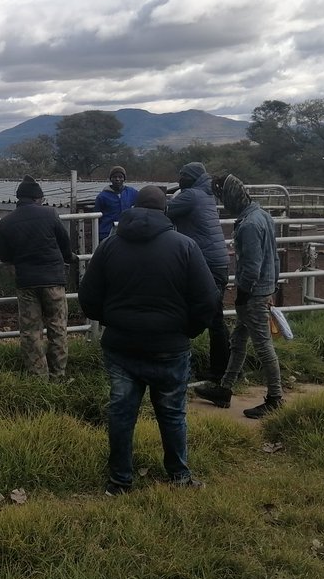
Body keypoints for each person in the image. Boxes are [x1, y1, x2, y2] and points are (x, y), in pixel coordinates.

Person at [78, 185, 219, 493]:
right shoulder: (185, 246)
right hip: (170, 347)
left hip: (121, 346)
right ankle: (179, 477)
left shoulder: (109, 246)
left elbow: (87, 297)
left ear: (133, 208)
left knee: (121, 413)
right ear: (165, 210)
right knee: (172, 413)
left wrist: (113, 321)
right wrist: (186, 330)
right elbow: (208, 299)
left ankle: (119, 481)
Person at [194, 175, 284, 418]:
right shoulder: (262, 215)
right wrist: (272, 287)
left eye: (224, 198)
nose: (224, 203)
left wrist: (243, 294)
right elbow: (274, 257)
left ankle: (275, 397)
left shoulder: (249, 225)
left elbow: (251, 265)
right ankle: (225, 388)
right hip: (263, 289)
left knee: (263, 346)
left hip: (253, 294)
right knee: (238, 341)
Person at [0, 175, 75, 381]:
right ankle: (58, 376)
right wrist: (69, 258)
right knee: (58, 328)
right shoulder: (50, 214)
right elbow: (65, 245)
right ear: (37, 198)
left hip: (27, 283)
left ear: (19, 199)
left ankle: (38, 378)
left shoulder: (6, 222)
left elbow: (4, 256)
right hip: (53, 281)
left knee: (31, 332)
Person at [166, 162, 230, 385]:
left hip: (207, 264)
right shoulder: (204, 194)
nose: (179, 179)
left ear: (191, 178)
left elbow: (162, 211)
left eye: (182, 176)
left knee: (211, 319)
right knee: (215, 319)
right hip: (216, 263)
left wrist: (158, 194)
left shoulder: (191, 195)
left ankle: (219, 374)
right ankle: (222, 371)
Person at [94, 166, 138, 241]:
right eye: (114, 177)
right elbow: (97, 216)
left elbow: (141, 203)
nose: (117, 179)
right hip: (106, 233)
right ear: (110, 179)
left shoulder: (132, 192)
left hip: (126, 231)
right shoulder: (102, 196)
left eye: (120, 177)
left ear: (124, 179)